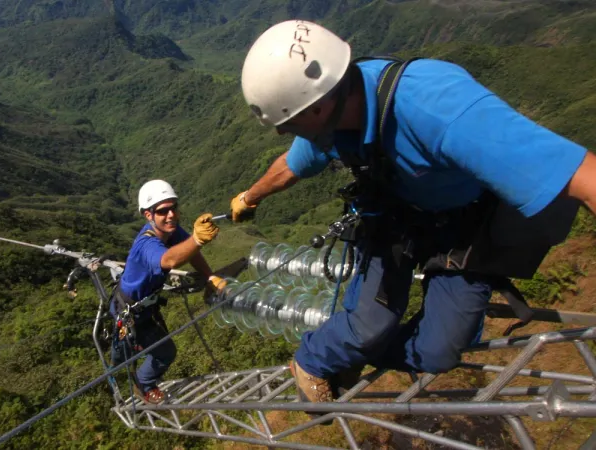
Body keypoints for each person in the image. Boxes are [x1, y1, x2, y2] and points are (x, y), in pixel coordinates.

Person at [229, 20, 596, 408]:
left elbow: (584, 177)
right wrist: (249, 198)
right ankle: (315, 361)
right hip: (395, 223)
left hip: (463, 228)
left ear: (318, 106)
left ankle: (366, 354)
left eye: (288, 124)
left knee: (439, 351)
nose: (285, 134)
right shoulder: (333, 122)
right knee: (369, 324)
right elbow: (290, 166)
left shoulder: (435, 107)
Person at [111, 179, 226, 405]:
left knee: (164, 352)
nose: (171, 214)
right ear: (148, 215)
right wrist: (197, 238)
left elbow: (191, 252)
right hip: (128, 312)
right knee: (123, 357)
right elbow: (170, 259)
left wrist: (210, 276)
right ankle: (131, 386)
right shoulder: (146, 245)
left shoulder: (171, 232)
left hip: (145, 308)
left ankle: (141, 381)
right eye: (163, 211)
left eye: (174, 207)